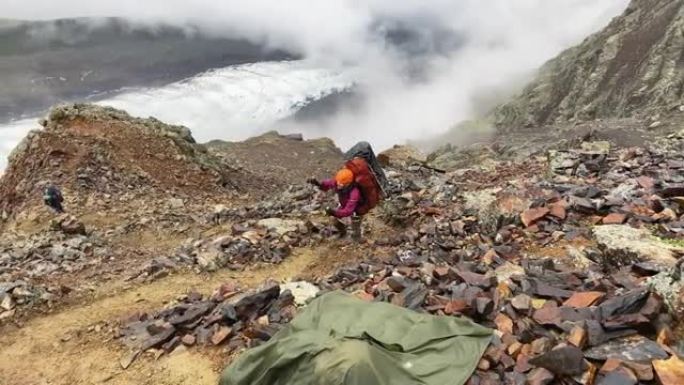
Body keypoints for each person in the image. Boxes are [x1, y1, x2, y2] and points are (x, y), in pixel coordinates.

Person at [308, 168, 364, 241]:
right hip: (344, 204)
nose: (338, 185)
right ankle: (343, 232)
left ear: (348, 183)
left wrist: (334, 212)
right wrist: (317, 183)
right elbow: (327, 185)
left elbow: (348, 211)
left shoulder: (354, 193)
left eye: (341, 184)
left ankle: (356, 238)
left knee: (355, 224)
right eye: (338, 182)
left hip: (356, 209)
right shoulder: (338, 182)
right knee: (334, 219)